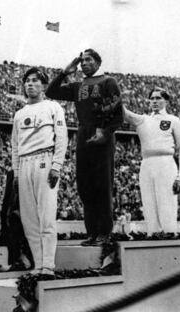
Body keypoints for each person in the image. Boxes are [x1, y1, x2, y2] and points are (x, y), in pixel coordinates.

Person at [46, 49, 124, 246]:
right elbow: (51, 92)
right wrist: (65, 72)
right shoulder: (78, 85)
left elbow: (117, 114)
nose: (84, 64)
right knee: (85, 185)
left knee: (102, 184)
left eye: (88, 60)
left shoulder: (108, 82)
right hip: (83, 133)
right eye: (81, 61)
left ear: (98, 62)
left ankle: (104, 232)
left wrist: (104, 133)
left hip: (102, 133)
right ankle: (92, 232)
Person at [12, 67, 68, 276]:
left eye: (35, 81)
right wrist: (16, 173)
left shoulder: (53, 107)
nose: (30, 84)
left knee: (46, 216)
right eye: (27, 81)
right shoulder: (19, 114)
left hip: (45, 160)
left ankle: (48, 265)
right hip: (25, 163)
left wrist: (57, 166)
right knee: (29, 220)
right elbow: (15, 146)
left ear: (44, 85)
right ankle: (38, 264)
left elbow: (62, 137)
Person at [123, 87, 180, 233]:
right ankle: (152, 236)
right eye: (152, 98)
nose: (154, 101)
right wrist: (114, 97)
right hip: (146, 164)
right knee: (149, 205)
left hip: (166, 163)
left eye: (158, 98)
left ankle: (170, 236)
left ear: (166, 101)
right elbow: (126, 114)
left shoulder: (173, 120)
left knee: (166, 204)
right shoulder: (143, 120)